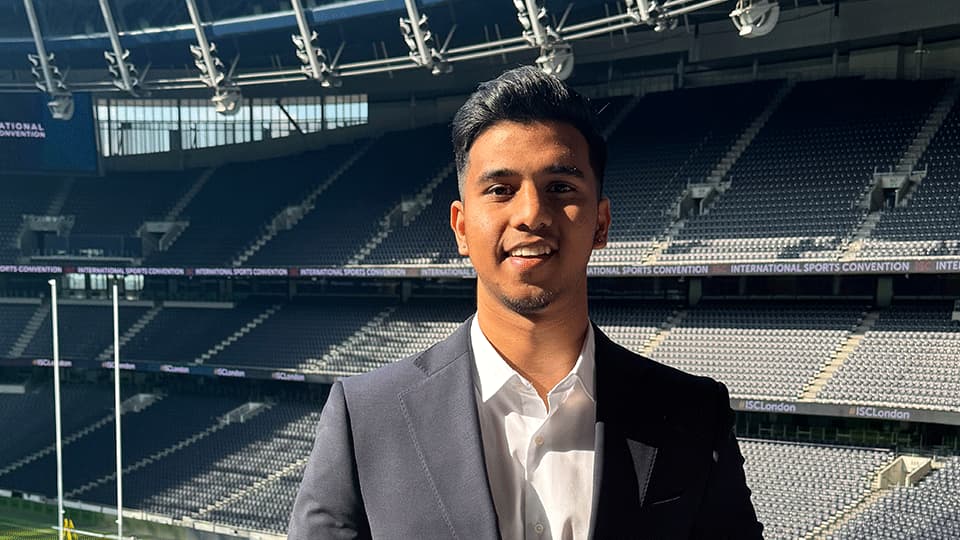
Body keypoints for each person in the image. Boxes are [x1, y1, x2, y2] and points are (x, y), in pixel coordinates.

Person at [289, 66, 762, 540]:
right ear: (460, 227)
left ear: (601, 224)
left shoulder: (693, 413)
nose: (532, 213)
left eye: (561, 187)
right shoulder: (365, 416)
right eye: (500, 190)